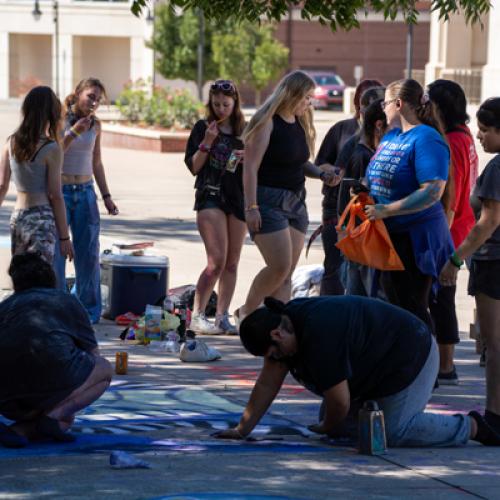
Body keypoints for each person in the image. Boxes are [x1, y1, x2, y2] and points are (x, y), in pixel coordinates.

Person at [215, 296, 500, 447]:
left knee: (390, 434)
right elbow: (266, 385)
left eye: (273, 354)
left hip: (413, 357)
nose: (276, 361)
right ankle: (371, 410)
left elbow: (340, 403)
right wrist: (242, 429)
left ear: (276, 334)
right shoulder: (287, 326)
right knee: (347, 427)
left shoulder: (319, 335)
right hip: (377, 366)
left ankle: (473, 427)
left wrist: (328, 428)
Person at [236, 70, 337, 322]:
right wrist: (251, 207)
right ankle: (246, 312)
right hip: (267, 201)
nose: (309, 103)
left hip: (296, 202)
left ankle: (278, 323)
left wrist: (323, 174)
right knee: (278, 266)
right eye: (305, 97)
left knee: (288, 272)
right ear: (291, 95)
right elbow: (250, 167)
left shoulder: (300, 122)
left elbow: (301, 163)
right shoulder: (267, 122)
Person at [364, 79, 453, 330]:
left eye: (386, 103)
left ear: (399, 104)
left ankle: (423, 364)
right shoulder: (392, 135)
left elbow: (433, 191)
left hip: (415, 240)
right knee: (393, 307)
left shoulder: (426, 138)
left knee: (411, 310)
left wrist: (387, 209)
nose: (383, 108)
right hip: (388, 235)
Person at [0, 253, 112, 448]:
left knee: (64, 419)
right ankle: (51, 418)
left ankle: (22, 430)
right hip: (47, 389)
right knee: (103, 369)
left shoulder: (5, 307)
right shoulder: (66, 300)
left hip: (8, 402)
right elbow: (94, 355)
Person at [440, 97, 500, 439]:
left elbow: (487, 222)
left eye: (486, 129)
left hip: (494, 263)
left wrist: (455, 258)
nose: (479, 135)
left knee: (495, 344)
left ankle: (495, 415)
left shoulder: (498, 169)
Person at [53, 78, 119, 324]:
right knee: (57, 253)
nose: (94, 103)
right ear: (78, 93)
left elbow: (97, 161)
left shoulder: (95, 126)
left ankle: (87, 311)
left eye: (98, 100)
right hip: (60, 191)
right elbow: (53, 152)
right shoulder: (59, 118)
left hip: (85, 191)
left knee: (88, 253)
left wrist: (107, 196)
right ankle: (57, 308)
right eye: (90, 96)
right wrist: (73, 132)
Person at [184, 80, 247, 334]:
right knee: (216, 261)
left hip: (238, 198)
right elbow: (194, 167)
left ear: (235, 104)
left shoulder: (246, 129)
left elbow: (258, 165)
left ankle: (222, 316)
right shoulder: (203, 127)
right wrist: (207, 141)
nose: (221, 109)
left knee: (232, 262)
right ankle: (198, 315)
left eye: (226, 104)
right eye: (216, 104)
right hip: (210, 195)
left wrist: (249, 156)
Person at [427, 80, 479, 385]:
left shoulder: (454, 141)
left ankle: (446, 366)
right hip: (458, 228)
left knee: (441, 299)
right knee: (440, 298)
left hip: (450, 230)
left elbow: (454, 195)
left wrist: (442, 240)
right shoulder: (463, 135)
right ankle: (444, 364)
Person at [315, 79, 383, 295]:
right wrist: (333, 174)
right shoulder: (350, 137)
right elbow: (336, 173)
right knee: (338, 273)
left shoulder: (378, 141)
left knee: (360, 283)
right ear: (358, 105)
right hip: (343, 215)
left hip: (362, 221)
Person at [0, 86, 73, 265]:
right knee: (40, 276)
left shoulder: (11, 142)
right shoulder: (52, 148)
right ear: (51, 113)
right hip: (41, 218)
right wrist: (64, 238)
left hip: (18, 216)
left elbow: (2, 185)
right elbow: (55, 195)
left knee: (21, 273)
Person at [340, 98, 388, 296]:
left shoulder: (370, 152)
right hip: (363, 240)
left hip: (365, 239)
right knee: (362, 295)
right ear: (378, 126)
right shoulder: (362, 156)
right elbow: (352, 200)